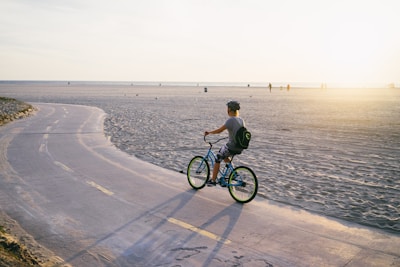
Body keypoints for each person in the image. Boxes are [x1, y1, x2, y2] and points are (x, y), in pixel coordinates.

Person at [204, 100, 245, 186]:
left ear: (229, 109)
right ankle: (233, 173)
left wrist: (209, 132)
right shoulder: (241, 120)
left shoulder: (230, 120)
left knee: (218, 157)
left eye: (227, 108)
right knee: (225, 155)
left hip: (232, 146)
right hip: (240, 146)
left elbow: (219, 131)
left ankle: (213, 180)